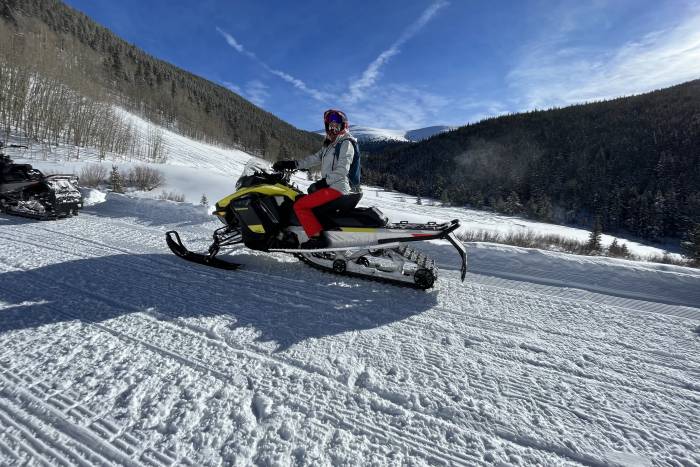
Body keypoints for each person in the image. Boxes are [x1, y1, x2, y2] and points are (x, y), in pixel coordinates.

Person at [273, 109, 358, 249]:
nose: (333, 129)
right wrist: (292, 164)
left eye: (336, 126)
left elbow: (343, 170)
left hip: (338, 188)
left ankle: (316, 238)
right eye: (330, 126)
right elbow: (313, 159)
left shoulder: (345, 143)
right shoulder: (330, 145)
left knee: (300, 206)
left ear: (344, 126)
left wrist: (324, 182)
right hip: (331, 187)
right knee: (301, 199)